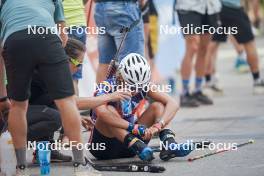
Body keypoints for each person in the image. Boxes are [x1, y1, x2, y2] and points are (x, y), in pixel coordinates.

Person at [0, 0, 89, 174]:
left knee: (18, 106)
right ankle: (81, 166)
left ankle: (21, 168)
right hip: (46, 37)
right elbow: (63, 36)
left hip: (15, 41)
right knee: (67, 102)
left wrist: (2, 96)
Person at [89, 53, 193, 161]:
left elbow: (173, 104)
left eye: (140, 87)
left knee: (157, 106)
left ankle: (169, 144)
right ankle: (137, 144)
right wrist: (132, 127)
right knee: (108, 111)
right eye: (131, 86)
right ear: (120, 76)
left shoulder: (144, 85)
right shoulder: (106, 86)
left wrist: (158, 126)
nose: (135, 90)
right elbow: (101, 113)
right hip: (104, 147)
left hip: (131, 146)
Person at [205, 0, 264, 95]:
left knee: (211, 46)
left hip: (215, 9)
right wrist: (256, 17)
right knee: (249, 43)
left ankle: (209, 82)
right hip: (233, 9)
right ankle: (257, 81)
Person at [175, 0, 222, 107]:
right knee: (192, 46)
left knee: (204, 49)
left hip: (210, 7)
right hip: (188, 7)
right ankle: (185, 92)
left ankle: (198, 90)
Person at [94, 0, 145, 83]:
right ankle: (127, 95)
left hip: (100, 8)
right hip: (124, 7)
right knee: (132, 64)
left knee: (105, 63)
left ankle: (101, 95)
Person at [63, 0, 87, 95]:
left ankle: (72, 106)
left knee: (67, 73)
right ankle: (74, 106)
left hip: (62, 23)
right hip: (78, 22)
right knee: (73, 75)